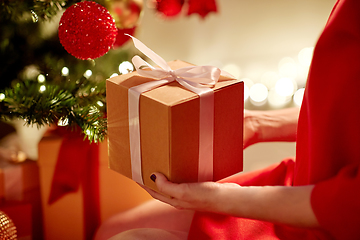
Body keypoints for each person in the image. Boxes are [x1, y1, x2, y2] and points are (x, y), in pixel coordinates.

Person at [94, 0, 360, 239]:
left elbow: (347, 207)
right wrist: (255, 124)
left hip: (320, 214)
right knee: (109, 230)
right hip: (303, 180)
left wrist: (222, 199)